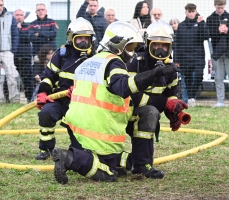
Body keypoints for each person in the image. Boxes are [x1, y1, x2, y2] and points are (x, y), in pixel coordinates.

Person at [52, 21, 180, 184]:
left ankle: (137, 164)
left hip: (78, 129)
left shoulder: (90, 62)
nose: (132, 53)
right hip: (98, 131)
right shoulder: (114, 63)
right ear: (119, 46)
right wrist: (154, 74)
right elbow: (123, 87)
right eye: (130, 47)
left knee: (121, 161)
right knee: (109, 173)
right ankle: (69, 158)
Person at [126, 20, 188, 179]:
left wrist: (173, 112)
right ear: (148, 44)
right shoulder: (136, 62)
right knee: (150, 113)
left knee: (151, 114)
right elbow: (132, 95)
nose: (161, 49)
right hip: (125, 112)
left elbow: (171, 93)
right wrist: (164, 103)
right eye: (156, 45)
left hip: (147, 112)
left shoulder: (171, 68)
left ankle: (138, 162)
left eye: (165, 46)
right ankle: (139, 165)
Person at [34, 17, 96, 160]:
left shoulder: (95, 58)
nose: (83, 42)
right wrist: (43, 92)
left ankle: (76, 151)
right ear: (71, 38)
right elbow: (49, 76)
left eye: (86, 39)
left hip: (83, 105)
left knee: (79, 149)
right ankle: (46, 148)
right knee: (46, 113)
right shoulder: (61, 55)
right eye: (79, 39)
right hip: (61, 100)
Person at [173, 3, 210, 107]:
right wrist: (176, 60)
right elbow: (177, 43)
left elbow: (206, 36)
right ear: (186, 12)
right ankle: (190, 100)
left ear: (196, 11)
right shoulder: (181, 25)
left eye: (193, 11)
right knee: (187, 80)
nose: (191, 14)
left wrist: (201, 23)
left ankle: (192, 96)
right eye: (189, 12)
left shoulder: (201, 23)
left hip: (198, 57)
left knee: (198, 76)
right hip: (185, 58)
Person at [206, 0, 229, 107]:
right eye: (218, 7)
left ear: (225, 6)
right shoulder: (210, 18)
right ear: (215, 6)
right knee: (218, 78)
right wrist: (218, 31)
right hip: (217, 52)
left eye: (222, 7)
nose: (220, 9)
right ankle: (220, 101)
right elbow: (208, 34)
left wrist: (227, 30)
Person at [0, 0, 20, 104]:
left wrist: (12, 50)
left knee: (11, 76)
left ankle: (14, 100)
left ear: (3, 5)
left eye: (0, 5)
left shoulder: (10, 17)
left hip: (7, 52)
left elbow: (15, 34)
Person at [13, 9, 33, 103]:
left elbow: (28, 37)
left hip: (26, 57)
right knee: (11, 78)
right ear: (14, 16)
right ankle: (9, 97)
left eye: (21, 15)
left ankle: (30, 98)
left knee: (27, 79)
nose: (19, 17)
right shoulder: (11, 26)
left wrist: (18, 31)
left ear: (24, 17)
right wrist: (17, 30)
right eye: (17, 15)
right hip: (13, 56)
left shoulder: (29, 27)